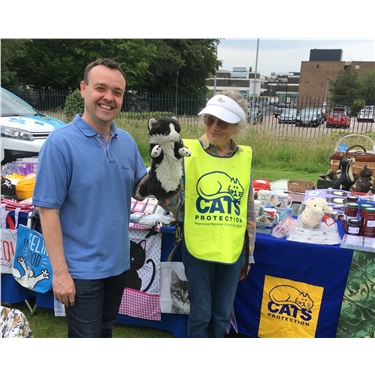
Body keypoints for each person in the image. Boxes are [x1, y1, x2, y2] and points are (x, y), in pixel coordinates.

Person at [32, 58, 148, 338]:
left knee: (105, 331)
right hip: (81, 270)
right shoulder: (60, 144)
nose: (109, 98)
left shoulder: (128, 142)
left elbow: (139, 189)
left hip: (119, 264)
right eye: (101, 88)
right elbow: (48, 212)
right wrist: (60, 274)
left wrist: (168, 167)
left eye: (117, 92)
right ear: (83, 89)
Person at [144, 91, 256, 338]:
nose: (214, 127)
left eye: (223, 122)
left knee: (222, 314)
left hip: (232, 250)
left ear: (237, 127)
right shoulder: (187, 152)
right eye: (209, 120)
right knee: (201, 313)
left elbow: (248, 210)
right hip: (198, 247)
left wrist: (248, 255)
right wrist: (163, 189)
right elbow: (178, 206)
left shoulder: (244, 157)